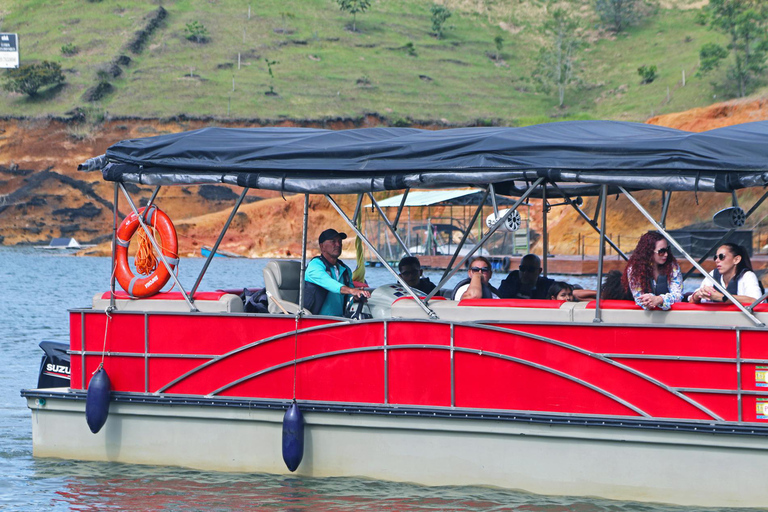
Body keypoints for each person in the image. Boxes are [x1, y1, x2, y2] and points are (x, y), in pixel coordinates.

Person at [303, 228, 371, 316]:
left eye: (340, 241)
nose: (338, 244)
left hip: (339, 322)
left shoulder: (346, 270)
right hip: (315, 322)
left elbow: (348, 298)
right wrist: (352, 291)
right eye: (333, 241)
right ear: (322, 246)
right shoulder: (314, 266)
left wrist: (355, 297)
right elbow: (329, 283)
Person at [622, 231, 682, 310]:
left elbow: (678, 295)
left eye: (667, 250)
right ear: (649, 252)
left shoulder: (672, 266)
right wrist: (649, 302)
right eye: (661, 251)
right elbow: (639, 297)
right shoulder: (634, 269)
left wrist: (659, 299)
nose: (666, 254)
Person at [691, 243, 763, 304]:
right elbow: (691, 302)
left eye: (721, 257)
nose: (717, 260)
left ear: (736, 259)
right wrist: (697, 295)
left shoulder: (747, 276)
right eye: (715, 257)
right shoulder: (713, 274)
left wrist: (721, 297)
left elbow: (756, 300)